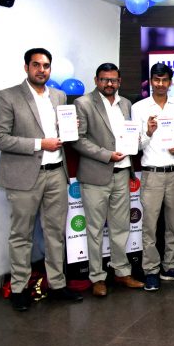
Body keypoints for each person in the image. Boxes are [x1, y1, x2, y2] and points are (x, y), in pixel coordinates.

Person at [0, 48, 83, 311]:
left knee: (55, 232)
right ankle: (19, 288)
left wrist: (70, 127)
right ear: (26, 67)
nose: (42, 70)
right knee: (21, 234)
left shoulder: (58, 95)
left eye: (46, 66)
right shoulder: (8, 96)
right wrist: (40, 143)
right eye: (36, 65)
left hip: (56, 173)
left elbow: (62, 132)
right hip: (24, 176)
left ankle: (57, 285)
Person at [73, 63, 143, 297]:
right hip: (95, 175)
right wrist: (107, 155)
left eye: (113, 80)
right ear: (96, 80)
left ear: (119, 82)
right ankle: (97, 277)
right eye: (104, 79)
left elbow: (129, 134)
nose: (109, 84)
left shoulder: (126, 104)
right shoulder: (83, 103)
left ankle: (121, 272)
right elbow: (78, 140)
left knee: (121, 227)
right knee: (94, 229)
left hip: (122, 174)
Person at [131, 63, 174, 292]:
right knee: (150, 226)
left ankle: (170, 266)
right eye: (157, 80)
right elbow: (134, 145)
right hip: (152, 173)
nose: (161, 84)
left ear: (170, 82)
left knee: (173, 224)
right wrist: (148, 132)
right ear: (150, 81)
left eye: (164, 80)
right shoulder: (139, 108)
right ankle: (151, 270)